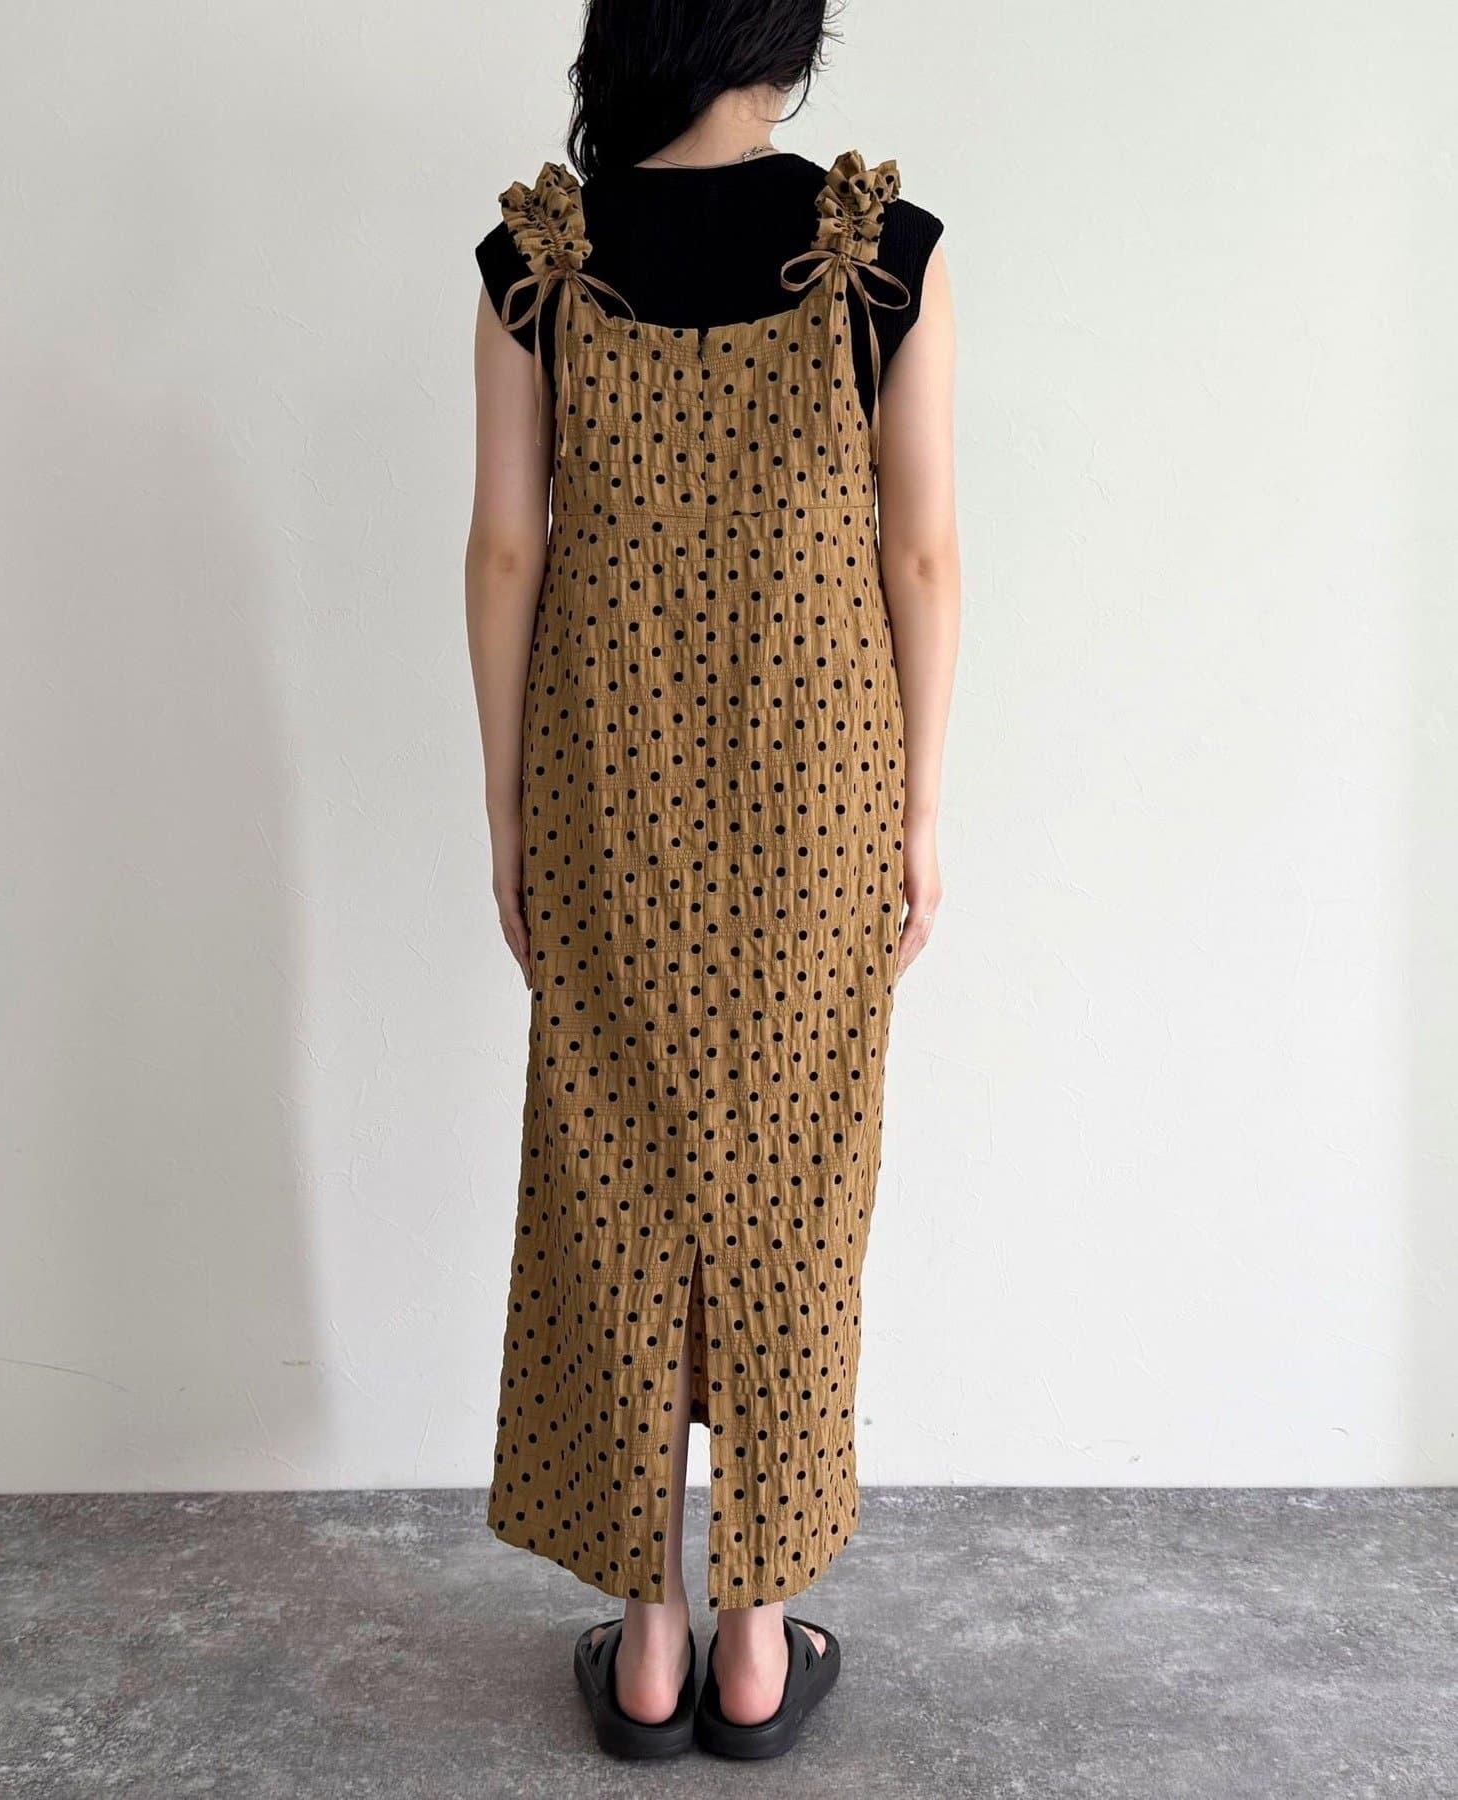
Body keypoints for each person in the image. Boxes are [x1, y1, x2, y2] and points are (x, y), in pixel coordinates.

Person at [465, 0, 961, 1760]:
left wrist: (508, 813)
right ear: (787, 39)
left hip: (604, 779)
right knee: (799, 1183)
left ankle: (647, 1637)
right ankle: (759, 1643)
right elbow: (921, 550)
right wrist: (916, 808)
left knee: (611, 1172)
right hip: (823, 780)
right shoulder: (883, 252)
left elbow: (508, 546)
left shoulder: (539, 262)